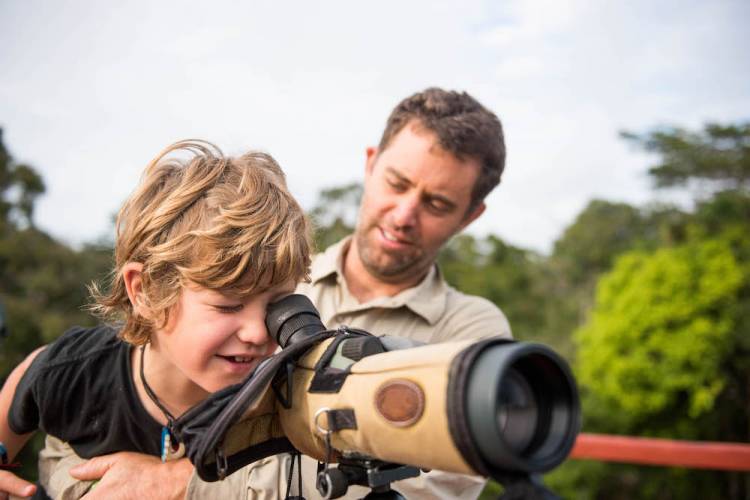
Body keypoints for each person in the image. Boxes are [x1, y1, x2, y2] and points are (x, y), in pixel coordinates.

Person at [7, 87, 512, 499]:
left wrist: (183, 483)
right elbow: (51, 373)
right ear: (371, 162)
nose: (404, 215)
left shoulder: (468, 333)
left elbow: (431, 489)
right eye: (397, 182)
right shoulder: (270, 264)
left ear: (470, 216)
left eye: (437, 203)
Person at [0, 140, 312, 500]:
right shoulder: (75, 372)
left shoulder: (281, 397)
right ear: (145, 291)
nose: (258, 333)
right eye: (229, 305)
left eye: (276, 305)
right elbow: (29, 378)